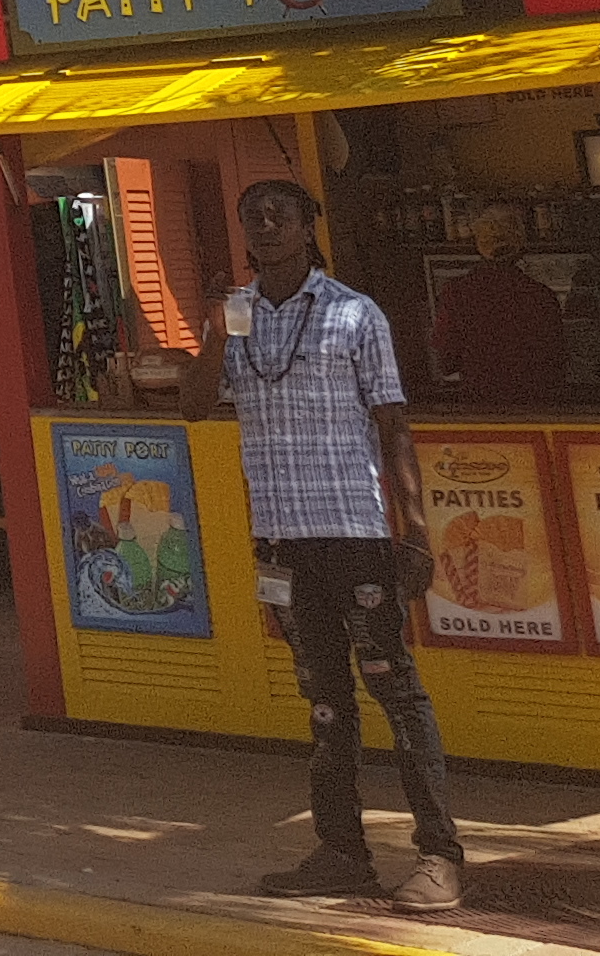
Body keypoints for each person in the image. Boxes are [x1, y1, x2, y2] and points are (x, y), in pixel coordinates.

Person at [179, 179, 463, 915]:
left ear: (308, 226)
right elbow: (194, 405)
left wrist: (418, 532)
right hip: (281, 539)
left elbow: (393, 425)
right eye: (253, 219)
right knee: (323, 701)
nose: (267, 227)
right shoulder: (238, 317)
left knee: (394, 689)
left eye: (280, 216)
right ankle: (342, 850)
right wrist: (214, 324)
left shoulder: (354, 313)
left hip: (356, 533)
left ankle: (439, 855)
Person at [429, 205, 572, 408]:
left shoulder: (457, 293)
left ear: (479, 244)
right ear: (520, 244)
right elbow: (556, 363)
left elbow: (446, 362)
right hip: (538, 406)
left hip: (481, 405)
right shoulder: (541, 295)